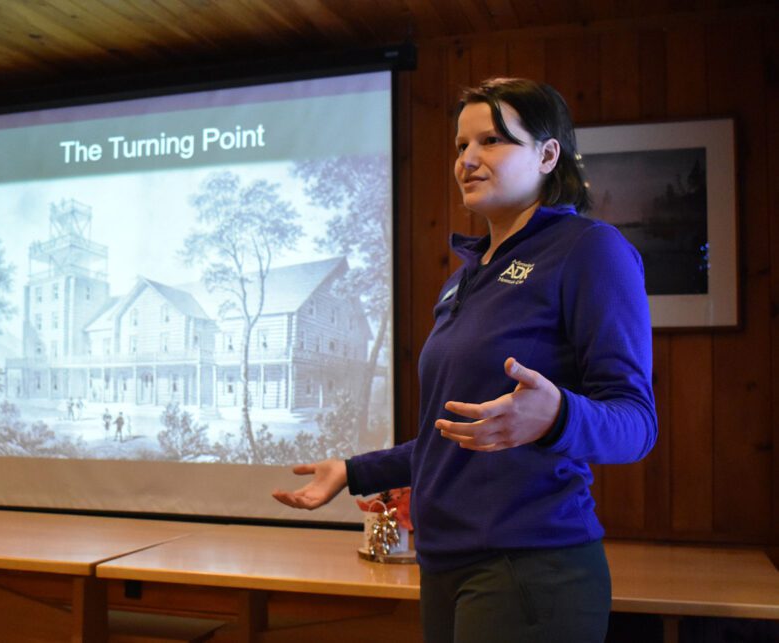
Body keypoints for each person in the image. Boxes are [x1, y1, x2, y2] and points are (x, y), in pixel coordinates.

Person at [273, 77, 657, 643]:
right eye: (461, 146)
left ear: (548, 154)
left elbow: (637, 425)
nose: (468, 160)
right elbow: (456, 431)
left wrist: (557, 417)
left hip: (530, 566)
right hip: (445, 563)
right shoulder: (463, 279)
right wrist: (354, 471)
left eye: (493, 141)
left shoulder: (588, 249)